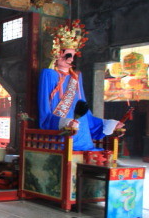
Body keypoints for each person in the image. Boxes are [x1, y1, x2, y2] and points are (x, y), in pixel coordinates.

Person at [38, 20, 122, 151]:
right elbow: (45, 111)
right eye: (68, 55)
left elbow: (85, 111)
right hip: (62, 133)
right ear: (57, 54)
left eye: (73, 55)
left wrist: (109, 124)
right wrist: (64, 122)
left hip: (83, 135)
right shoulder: (49, 74)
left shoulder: (76, 77)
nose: (71, 59)